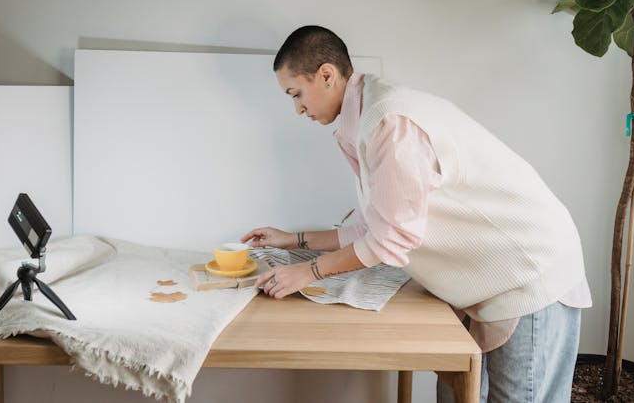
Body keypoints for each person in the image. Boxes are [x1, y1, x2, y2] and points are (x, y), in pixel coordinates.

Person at [242, 25, 592, 402]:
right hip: (488, 280)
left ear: (326, 75)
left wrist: (305, 272)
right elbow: (373, 227)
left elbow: (387, 241)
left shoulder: (390, 123)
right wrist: (293, 240)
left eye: (296, 94)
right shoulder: (365, 118)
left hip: (529, 270)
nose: (297, 109)